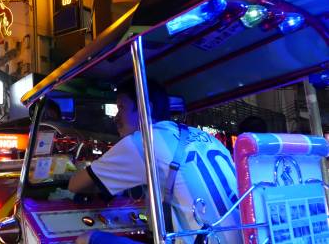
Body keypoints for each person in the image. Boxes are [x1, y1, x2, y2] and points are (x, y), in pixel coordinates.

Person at [69, 80, 242, 244]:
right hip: (248, 237)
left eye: (121, 107)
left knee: (87, 238)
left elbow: (75, 185)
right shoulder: (209, 139)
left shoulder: (143, 141)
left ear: (146, 108)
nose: (116, 117)